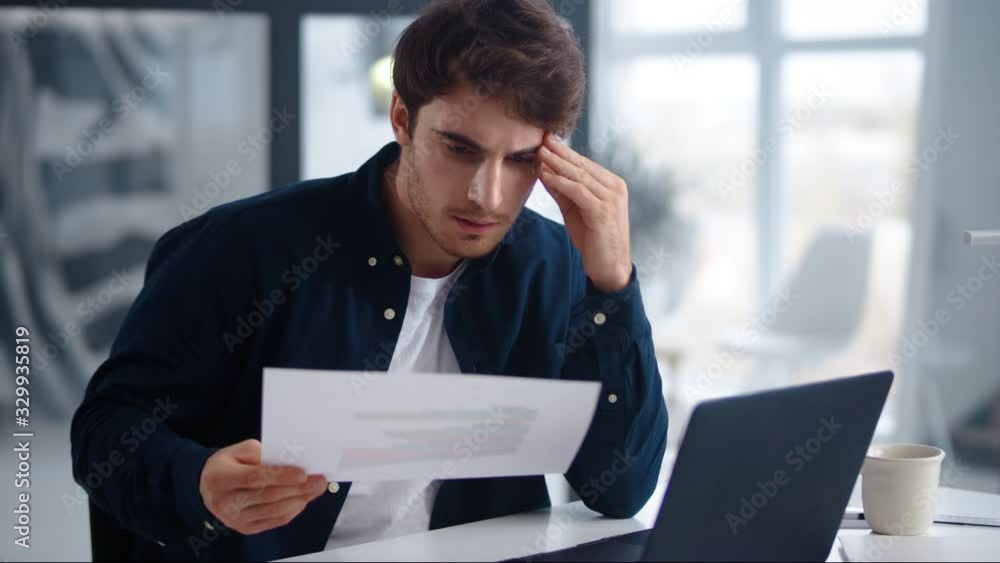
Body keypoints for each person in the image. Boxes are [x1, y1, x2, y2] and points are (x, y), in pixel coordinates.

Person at [70, 0, 668, 560]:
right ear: (402, 118)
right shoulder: (242, 247)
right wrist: (199, 482)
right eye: (459, 149)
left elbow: (619, 490)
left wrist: (614, 285)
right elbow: (107, 431)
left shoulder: (554, 267)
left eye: (521, 160)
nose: (487, 196)